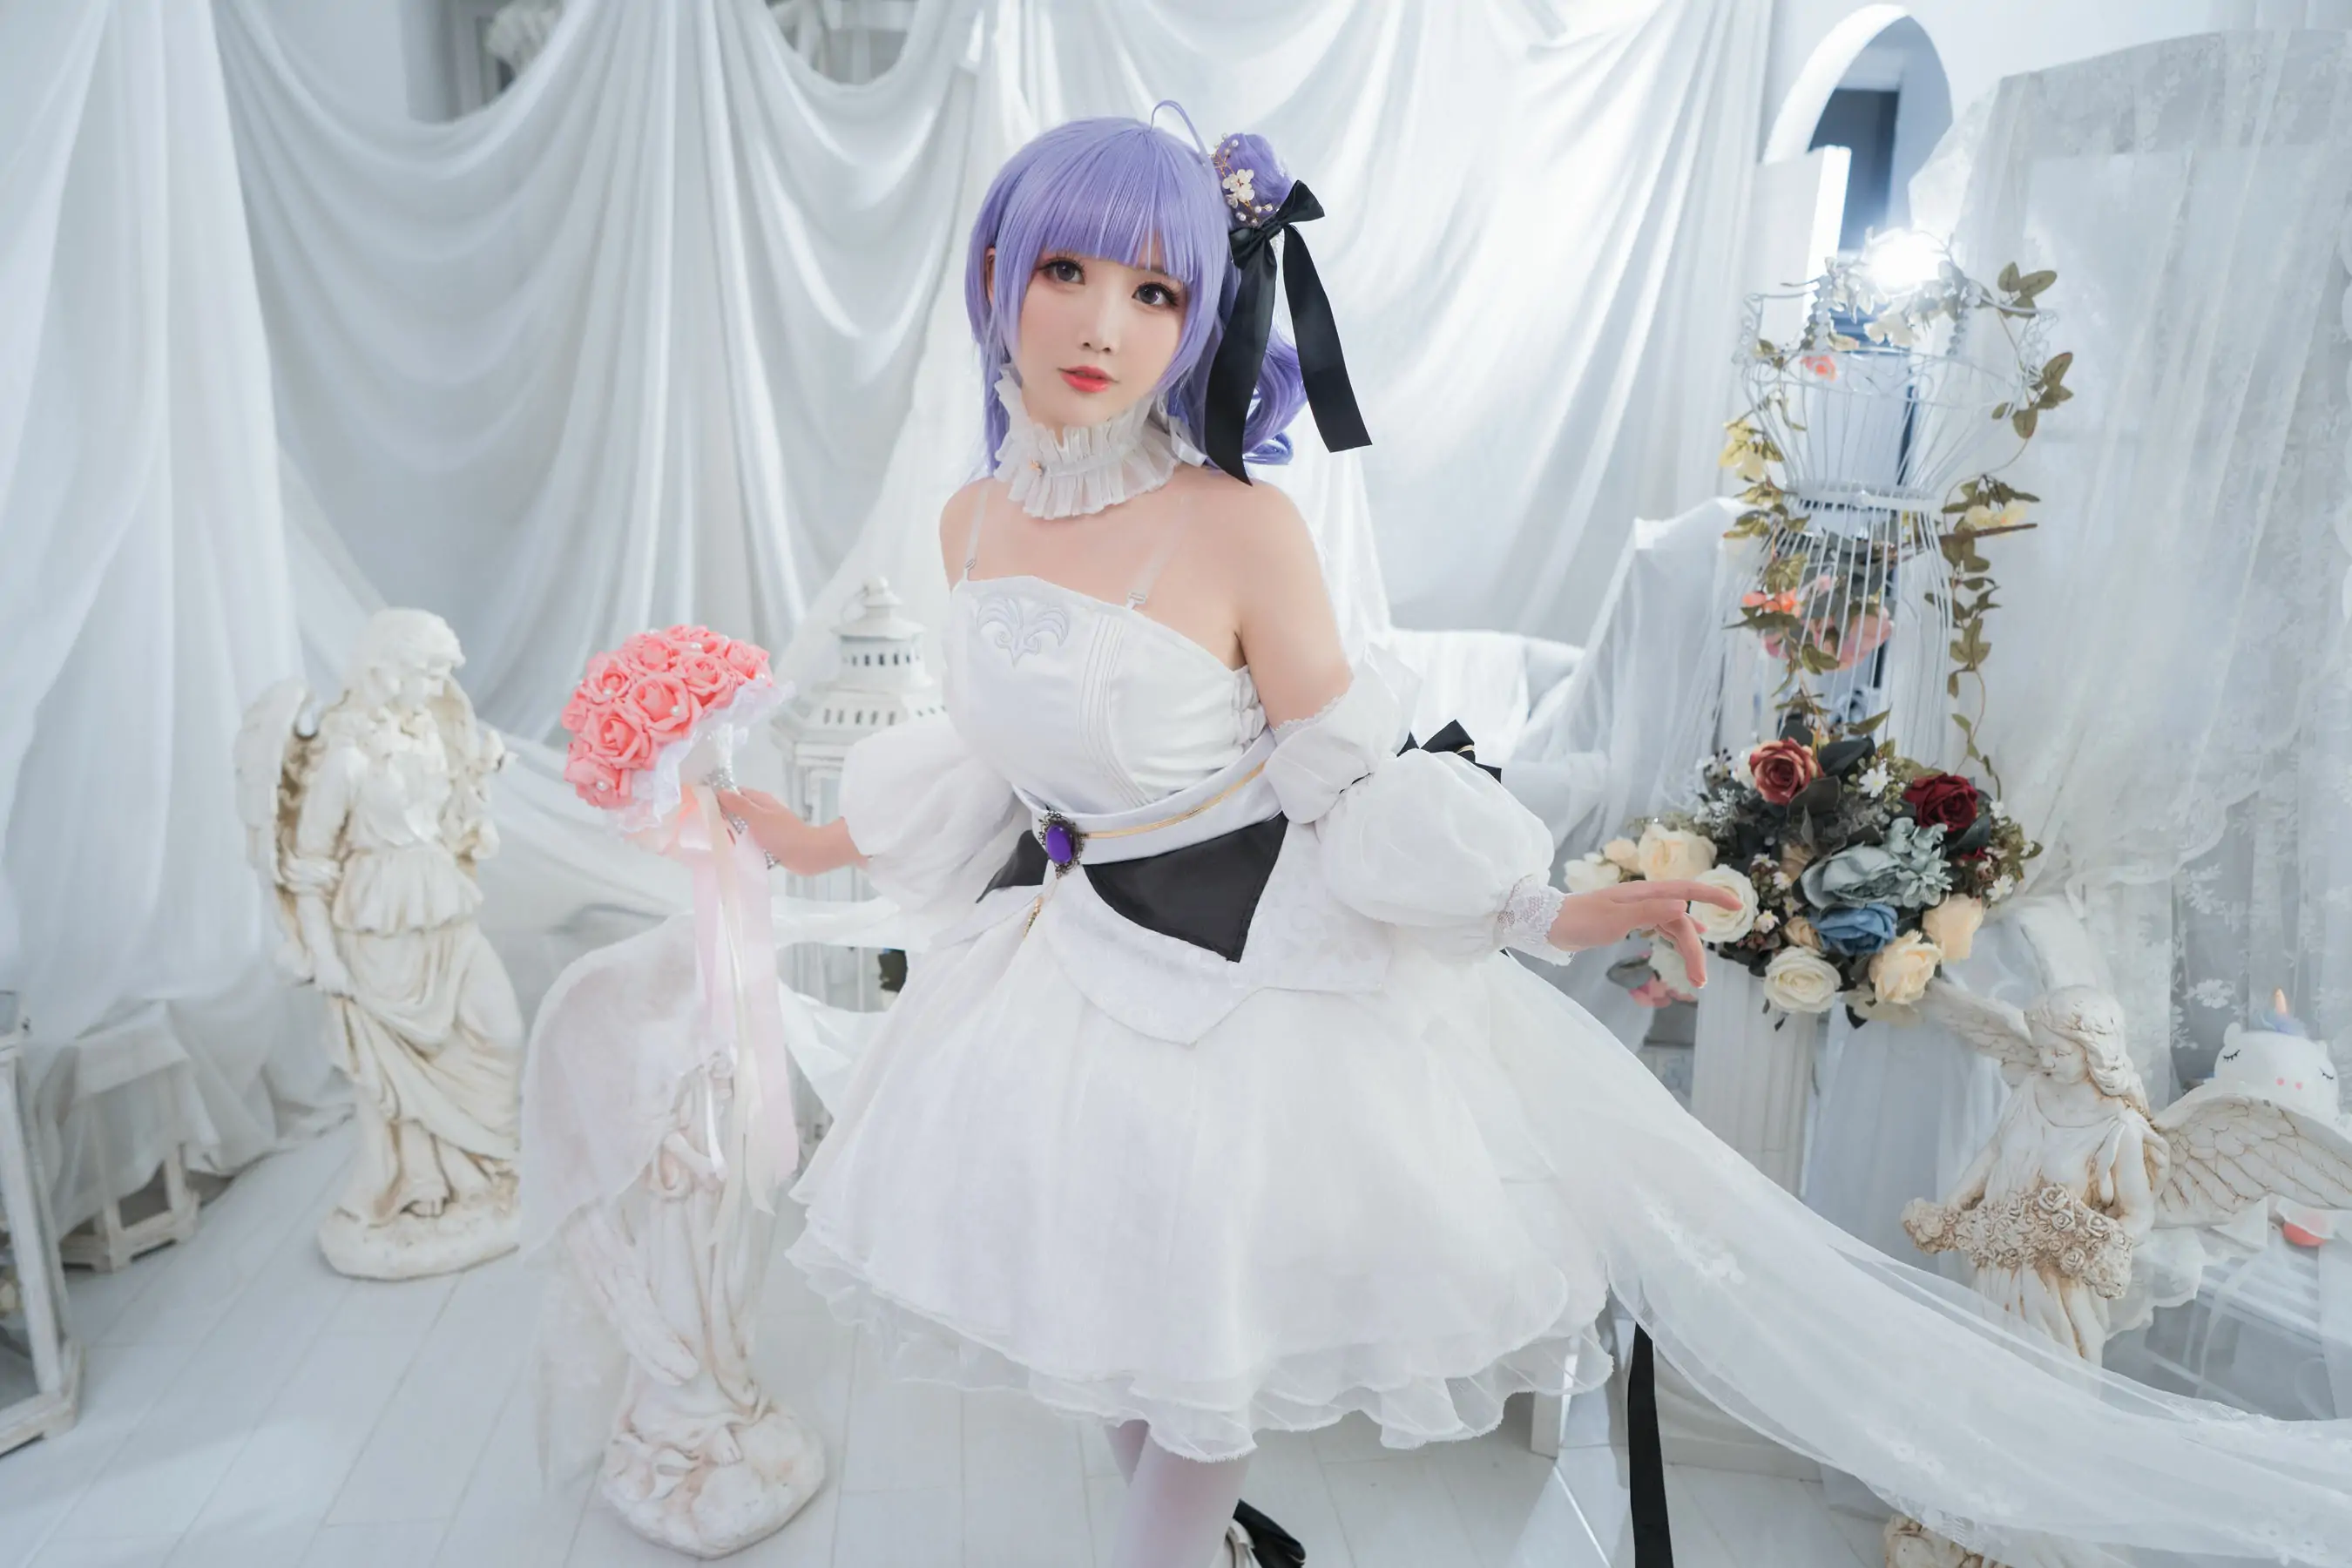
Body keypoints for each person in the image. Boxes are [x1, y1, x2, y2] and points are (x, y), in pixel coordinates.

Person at [720, 112, 2352, 1568]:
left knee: (1204, 1349)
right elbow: (991, 755)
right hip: (1063, 972)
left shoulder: (1239, 529)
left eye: (1154, 290)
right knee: (1108, 1321)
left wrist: (1546, 907)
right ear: (995, 271)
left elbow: (1348, 785)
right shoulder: (973, 516)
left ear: (1206, 316)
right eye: (1066, 269)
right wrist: (809, 839)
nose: (1101, 324)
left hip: (1244, 994)